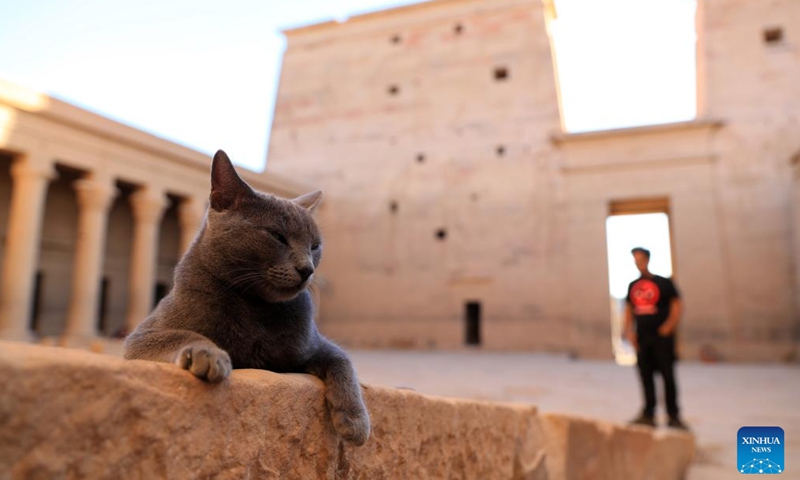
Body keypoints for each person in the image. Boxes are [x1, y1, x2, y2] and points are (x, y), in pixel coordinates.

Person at [623, 247, 689, 430]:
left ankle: (673, 415)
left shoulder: (664, 282)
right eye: (635, 259)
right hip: (642, 338)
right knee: (645, 376)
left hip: (662, 337)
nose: (638, 262)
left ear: (647, 259)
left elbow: (677, 303)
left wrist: (670, 325)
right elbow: (629, 309)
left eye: (641, 258)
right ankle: (648, 413)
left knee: (667, 376)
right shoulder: (632, 285)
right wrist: (628, 330)